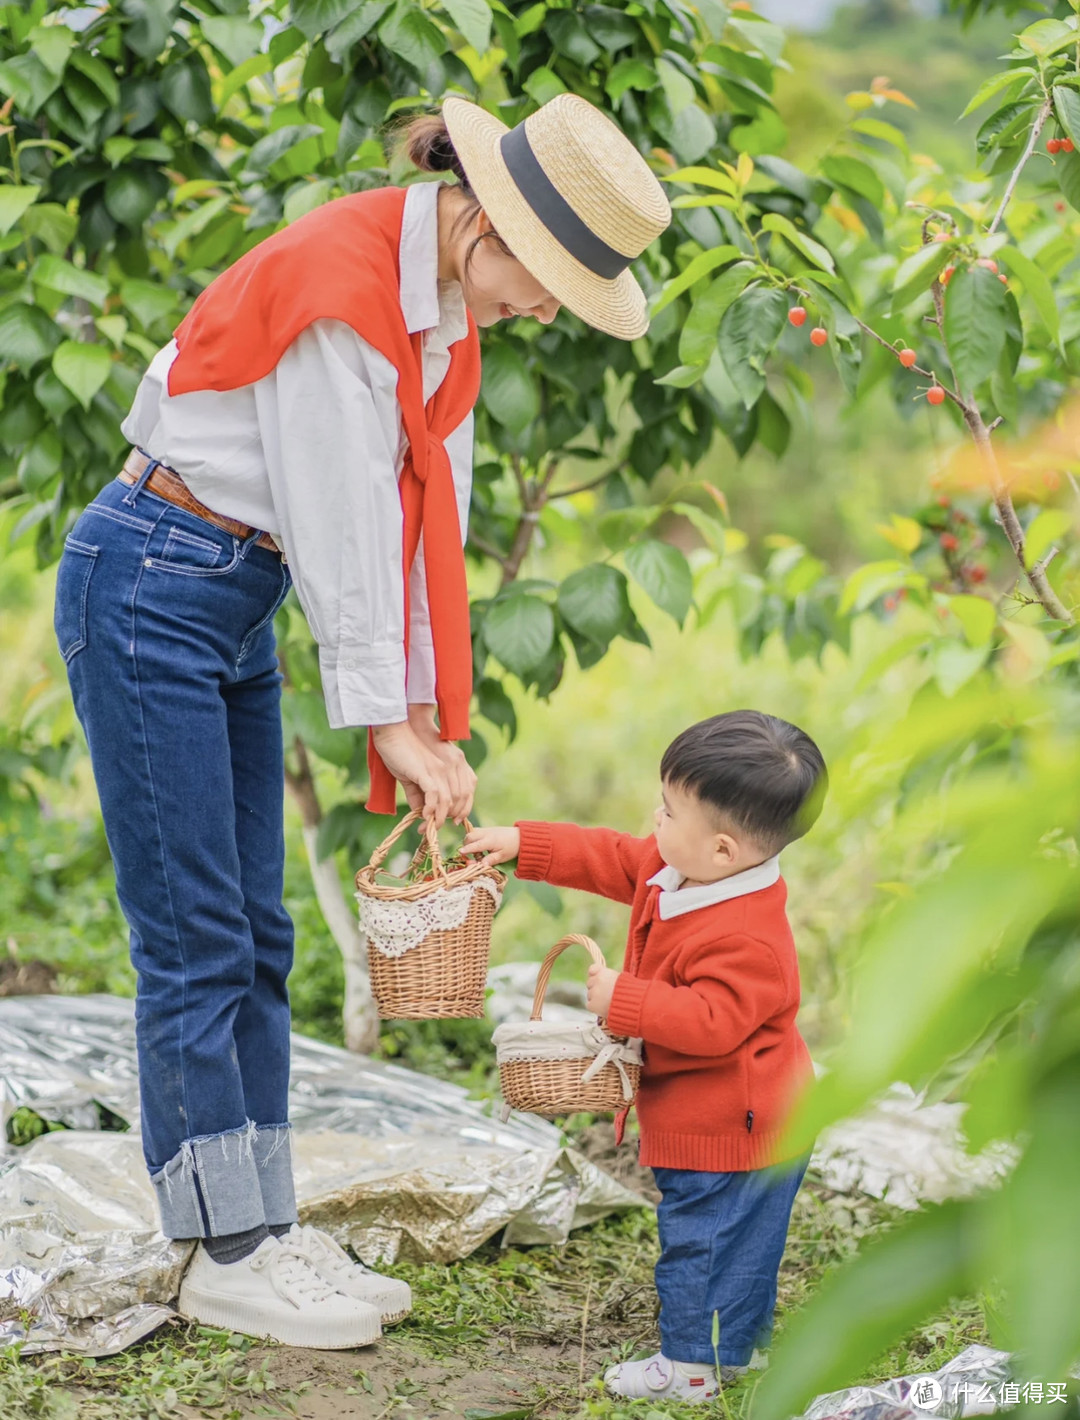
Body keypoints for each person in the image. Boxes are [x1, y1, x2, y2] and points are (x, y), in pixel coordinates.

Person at [51, 92, 671, 1348]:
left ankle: (262, 1224)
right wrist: (387, 721)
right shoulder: (345, 290)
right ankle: (220, 1248)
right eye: (546, 278)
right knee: (194, 935)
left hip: (225, 590)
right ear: (483, 223)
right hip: (153, 581)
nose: (545, 307)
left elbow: (403, 523)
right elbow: (341, 521)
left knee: (263, 931)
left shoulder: (439, 316)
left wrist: (428, 713)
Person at [463, 710, 826, 1402]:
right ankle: (734, 1348)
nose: (651, 820)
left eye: (666, 810)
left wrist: (624, 999)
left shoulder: (745, 936)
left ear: (722, 849)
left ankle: (690, 1365)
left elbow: (714, 1022)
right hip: (743, 1115)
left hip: (734, 1125)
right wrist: (524, 843)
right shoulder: (682, 869)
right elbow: (612, 858)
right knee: (738, 1241)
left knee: (703, 1237)